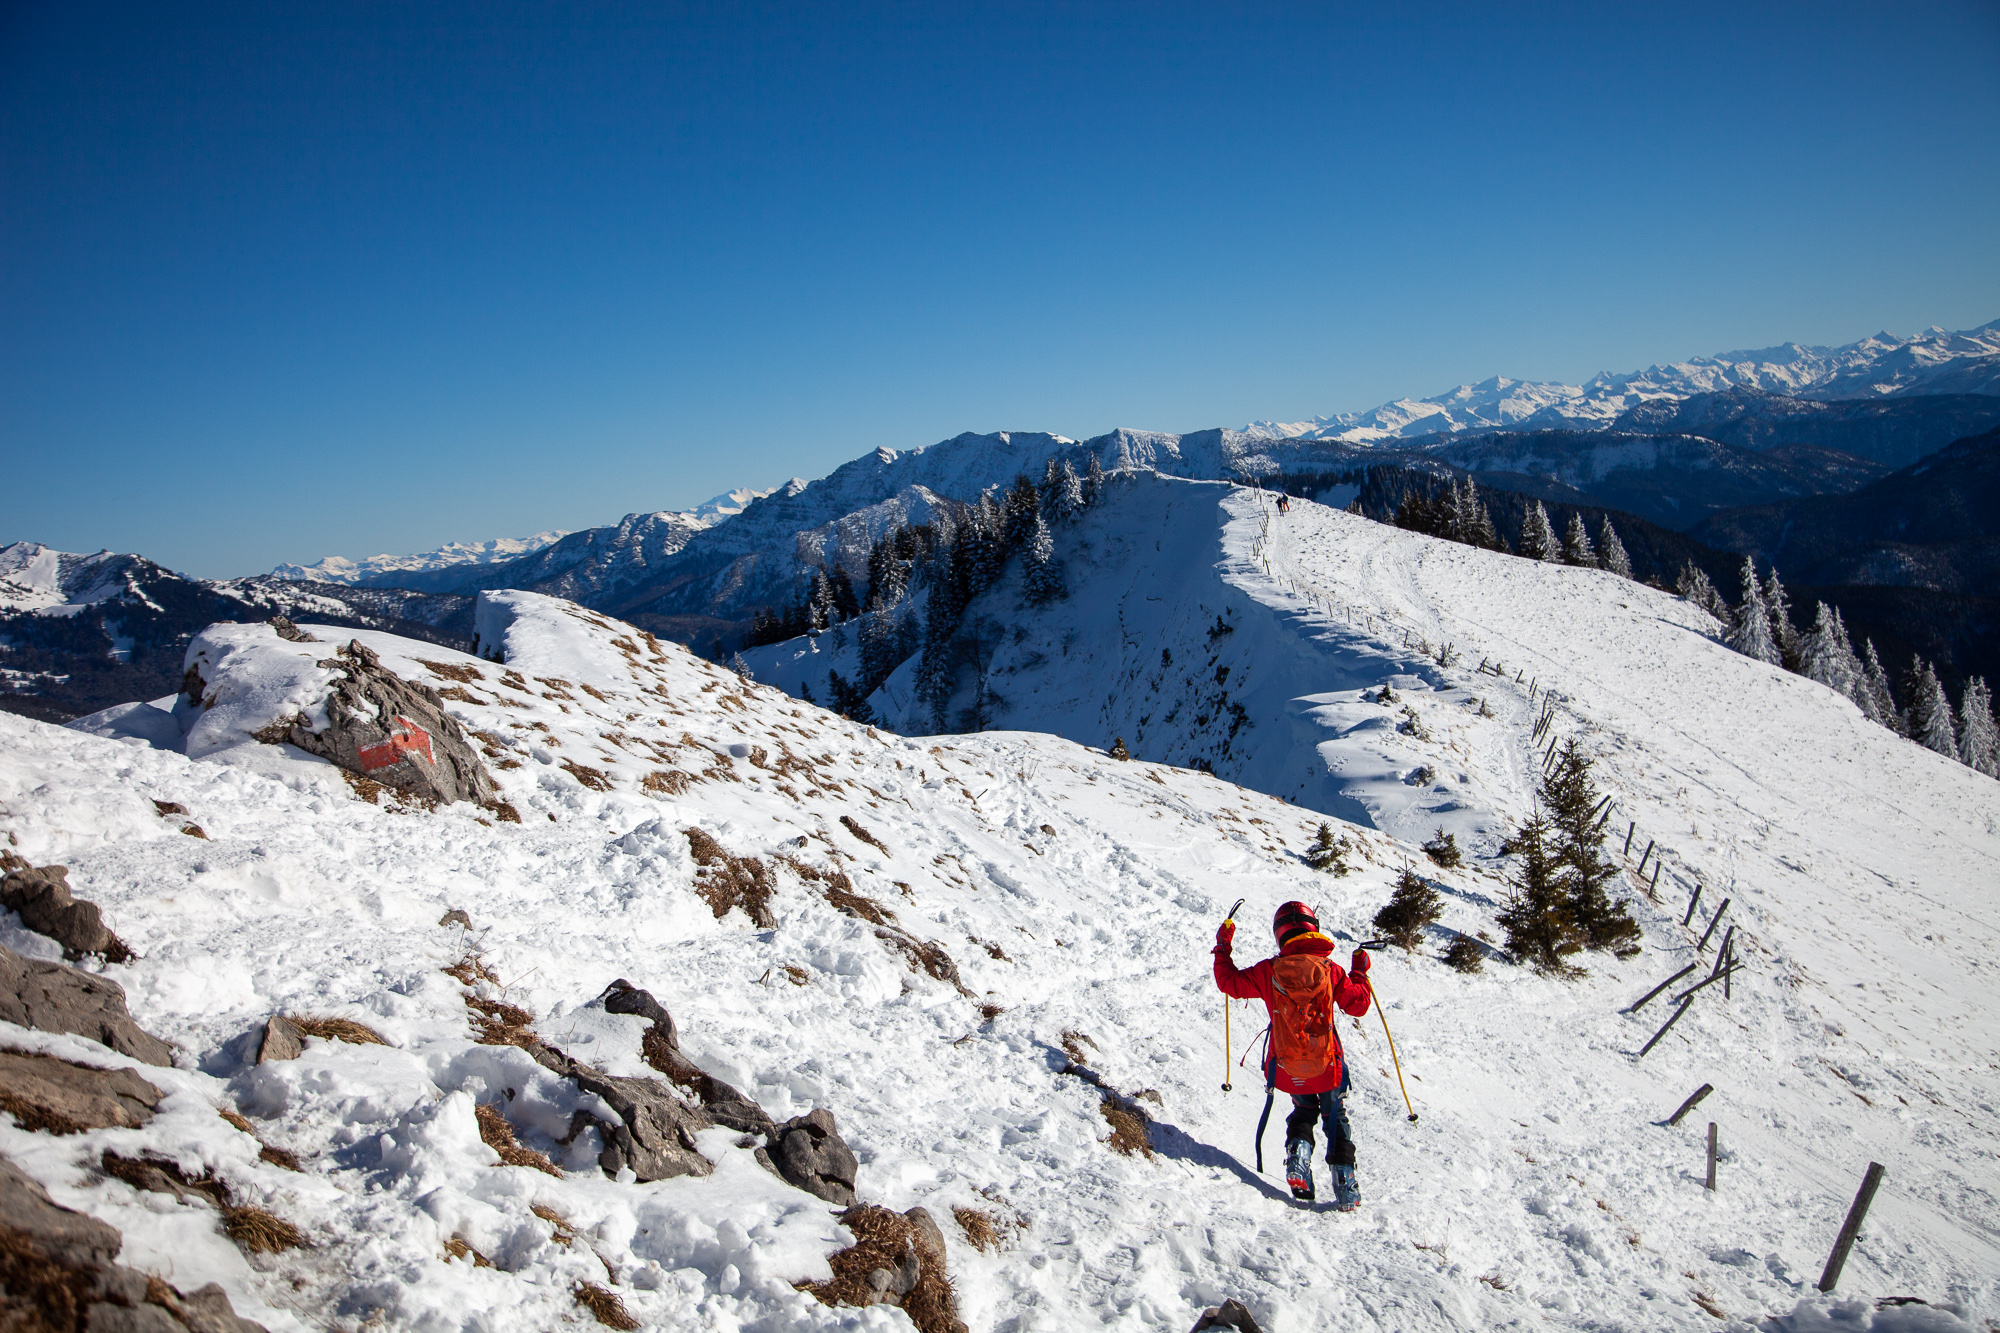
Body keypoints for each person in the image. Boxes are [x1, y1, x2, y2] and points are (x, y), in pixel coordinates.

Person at [1213, 900, 1372, 1208]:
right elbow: (1358, 1005)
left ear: (1281, 934)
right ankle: (1345, 1182)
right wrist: (1360, 972)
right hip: (1328, 1066)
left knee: (1303, 1111)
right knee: (1335, 1116)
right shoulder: (1331, 971)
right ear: (1313, 929)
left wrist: (1223, 948)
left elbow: (1228, 982)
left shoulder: (1268, 970)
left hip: (1287, 1067)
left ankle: (1298, 1157)